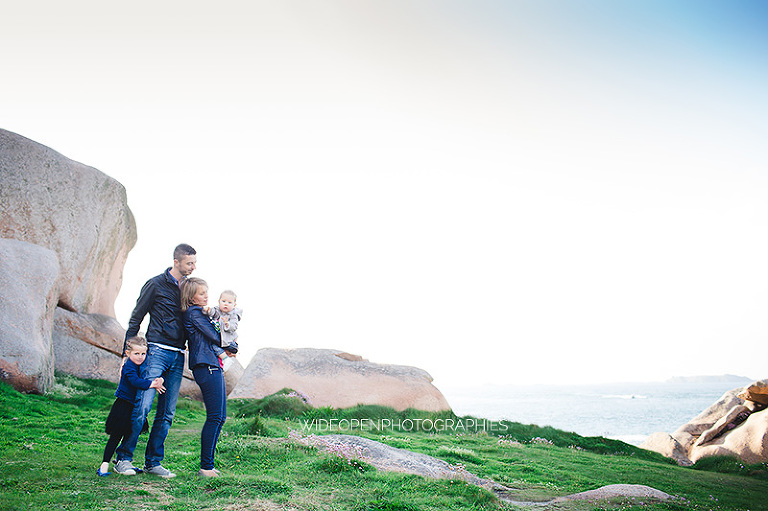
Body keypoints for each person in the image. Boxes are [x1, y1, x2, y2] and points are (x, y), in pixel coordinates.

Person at [114, 243, 197, 478]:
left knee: (167, 413)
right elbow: (136, 318)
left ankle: (153, 462)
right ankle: (123, 458)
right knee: (142, 406)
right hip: (156, 351)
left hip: (178, 355)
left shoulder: (189, 288)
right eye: (189, 263)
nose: (193, 267)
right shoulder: (155, 284)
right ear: (176, 262)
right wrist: (126, 355)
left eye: (195, 263)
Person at [181, 277, 228, 477]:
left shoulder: (201, 313)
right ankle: (206, 467)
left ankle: (209, 464)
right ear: (191, 297)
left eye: (206, 292)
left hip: (212, 364)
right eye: (201, 293)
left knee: (221, 417)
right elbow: (215, 336)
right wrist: (231, 344)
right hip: (206, 365)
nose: (206, 296)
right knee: (215, 416)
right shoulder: (194, 313)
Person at [98, 337, 166, 476]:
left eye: (143, 353)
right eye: (136, 353)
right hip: (123, 406)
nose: (140, 357)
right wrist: (152, 384)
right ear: (128, 353)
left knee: (130, 434)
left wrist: (160, 379)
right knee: (116, 436)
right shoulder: (128, 366)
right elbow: (135, 381)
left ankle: (123, 461)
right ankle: (104, 465)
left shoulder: (143, 364)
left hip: (134, 406)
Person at [204, 290, 242, 371]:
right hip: (220, 339)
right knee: (212, 345)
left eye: (229, 302)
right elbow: (213, 312)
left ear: (234, 305)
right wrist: (208, 310)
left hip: (228, 340)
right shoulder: (217, 310)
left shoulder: (233, 315)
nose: (226, 304)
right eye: (223, 301)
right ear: (219, 301)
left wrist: (227, 324)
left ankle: (225, 359)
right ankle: (223, 362)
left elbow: (234, 327)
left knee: (213, 345)